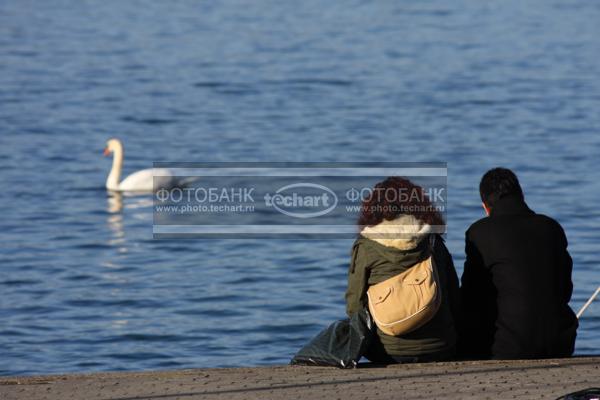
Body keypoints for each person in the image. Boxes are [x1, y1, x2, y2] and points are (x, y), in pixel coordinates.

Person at [459, 167, 578, 359]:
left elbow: (471, 297)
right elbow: (565, 289)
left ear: (485, 207)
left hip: (507, 347)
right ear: (521, 195)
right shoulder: (551, 227)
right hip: (559, 343)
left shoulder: (479, 233)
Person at [345, 177, 459, 363]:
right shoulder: (434, 242)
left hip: (387, 351)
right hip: (440, 347)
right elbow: (453, 297)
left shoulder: (365, 247)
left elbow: (354, 307)